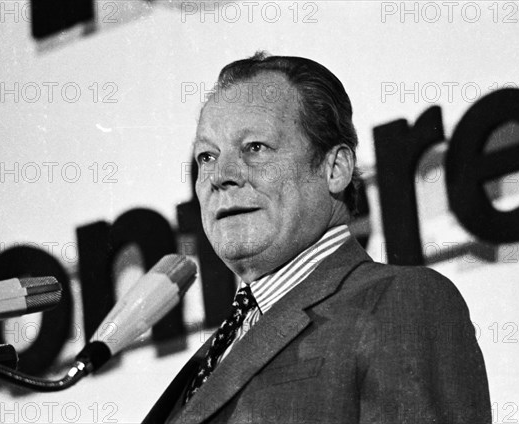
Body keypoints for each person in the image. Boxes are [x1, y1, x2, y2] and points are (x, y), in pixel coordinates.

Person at [143, 52, 491, 423]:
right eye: (207, 157)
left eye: (255, 148)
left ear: (335, 169)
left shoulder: (400, 301)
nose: (221, 175)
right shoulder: (217, 351)